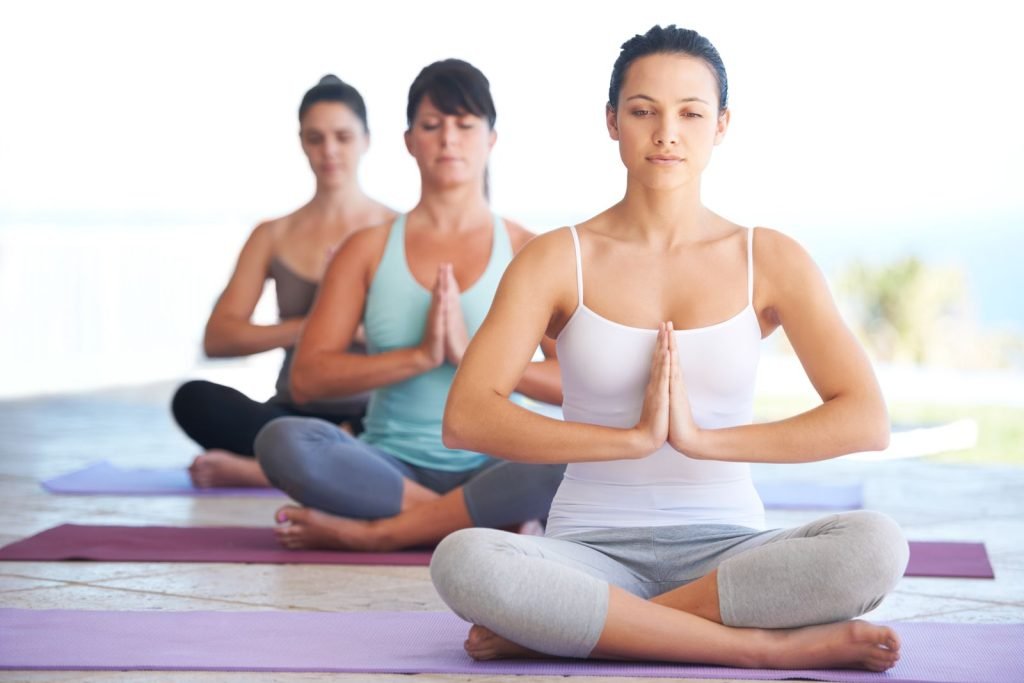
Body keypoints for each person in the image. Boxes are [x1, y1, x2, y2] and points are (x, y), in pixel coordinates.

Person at [431, 25, 909, 672]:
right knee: (462, 560)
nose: (666, 133)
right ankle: (758, 647)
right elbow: (467, 416)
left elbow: (864, 418)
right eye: (643, 111)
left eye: (690, 112)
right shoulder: (556, 259)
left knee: (876, 545)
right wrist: (627, 439)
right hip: (589, 553)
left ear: (722, 125)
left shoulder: (766, 258)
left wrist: (701, 439)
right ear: (610, 121)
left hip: (729, 553)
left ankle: (596, 628)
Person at [253, 59, 565, 552]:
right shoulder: (368, 248)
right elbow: (307, 378)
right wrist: (419, 356)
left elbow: (573, 383)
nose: (448, 140)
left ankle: (381, 534)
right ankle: (475, 522)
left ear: (491, 139)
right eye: (431, 125)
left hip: (498, 463)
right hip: (391, 467)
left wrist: (473, 362)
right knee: (282, 440)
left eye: (465, 125)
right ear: (408, 140)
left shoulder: (530, 251)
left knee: (578, 456)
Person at [171, 75, 396, 488]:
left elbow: (424, 345)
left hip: (376, 415)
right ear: (301, 142)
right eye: (316, 138)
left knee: (435, 420)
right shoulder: (273, 234)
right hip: (292, 412)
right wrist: (313, 327)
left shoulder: (401, 231)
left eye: (342, 137)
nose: (329, 150)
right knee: (193, 399)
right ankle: (318, 457)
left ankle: (265, 470)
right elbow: (219, 338)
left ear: (366, 140)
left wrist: (354, 321)